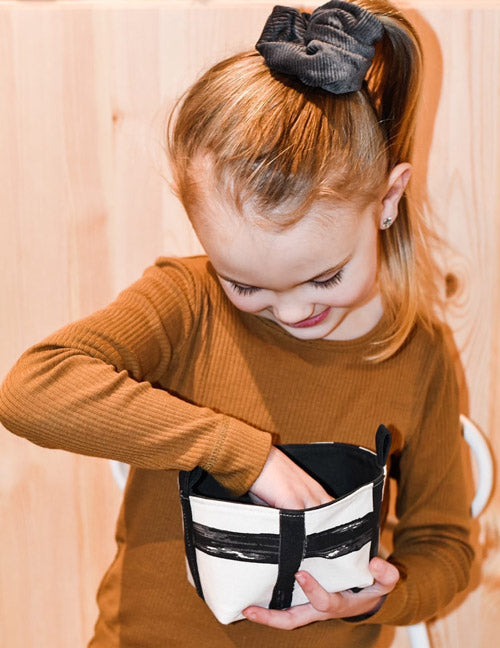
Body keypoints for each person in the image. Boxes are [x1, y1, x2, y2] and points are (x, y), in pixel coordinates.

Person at [0, 1, 473, 646]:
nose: (290, 310)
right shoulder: (188, 302)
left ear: (387, 202)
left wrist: (374, 599)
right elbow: (32, 389)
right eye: (245, 283)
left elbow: (444, 545)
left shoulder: (418, 356)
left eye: (323, 278)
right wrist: (242, 456)